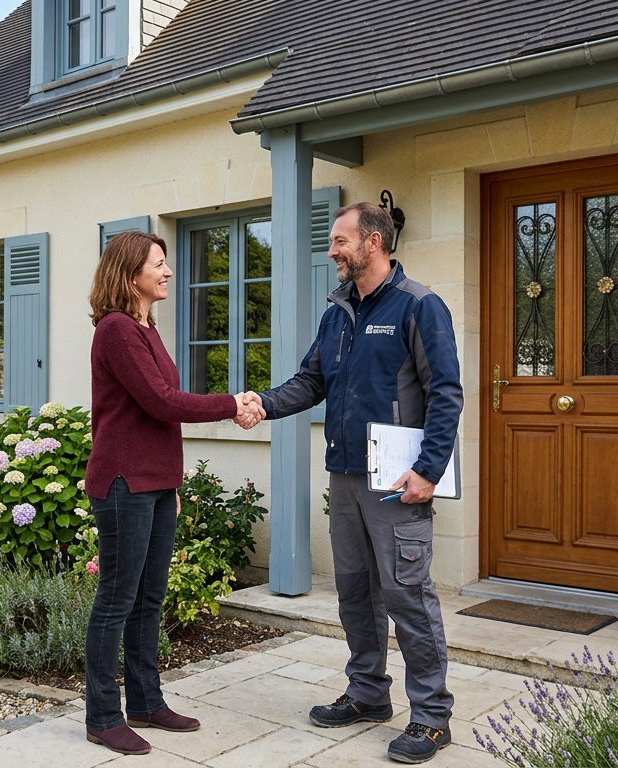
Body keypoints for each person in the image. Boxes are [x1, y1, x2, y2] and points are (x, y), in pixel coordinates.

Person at [247, 202, 462, 764]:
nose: (333, 251)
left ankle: (432, 717)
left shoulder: (420, 305)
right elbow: (311, 380)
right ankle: (368, 694)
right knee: (356, 594)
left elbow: (446, 393)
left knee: (407, 595)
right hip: (344, 475)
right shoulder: (337, 313)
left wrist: (429, 471)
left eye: (340, 241)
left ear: (372, 242)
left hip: (396, 481)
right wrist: (261, 406)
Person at [84, 230, 265, 756]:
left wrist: (174, 485)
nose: (167, 272)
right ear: (130, 272)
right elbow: (163, 402)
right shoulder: (116, 330)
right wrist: (232, 402)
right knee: (116, 600)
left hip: (156, 484)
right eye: (158, 264)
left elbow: (159, 419)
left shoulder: (146, 328)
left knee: (149, 598)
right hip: (123, 483)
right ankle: (101, 716)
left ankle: (144, 701)